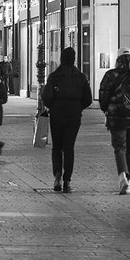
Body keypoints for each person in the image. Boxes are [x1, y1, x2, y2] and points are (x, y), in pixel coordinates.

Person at [39, 46, 93, 192]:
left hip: (57, 115)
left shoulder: (54, 76)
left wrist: (53, 106)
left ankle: (57, 174)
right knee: (69, 148)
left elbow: (46, 97)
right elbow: (88, 98)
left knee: (57, 147)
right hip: (73, 116)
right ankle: (67, 180)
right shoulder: (80, 77)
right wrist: (78, 107)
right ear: (74, 59)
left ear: (61, 58)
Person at [97, 50, 130, 195]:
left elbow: (103, 94)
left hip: (117, 117)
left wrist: (106, 109)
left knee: (119, 147)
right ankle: (129, 180)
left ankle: (122, 176)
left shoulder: (110, 75)